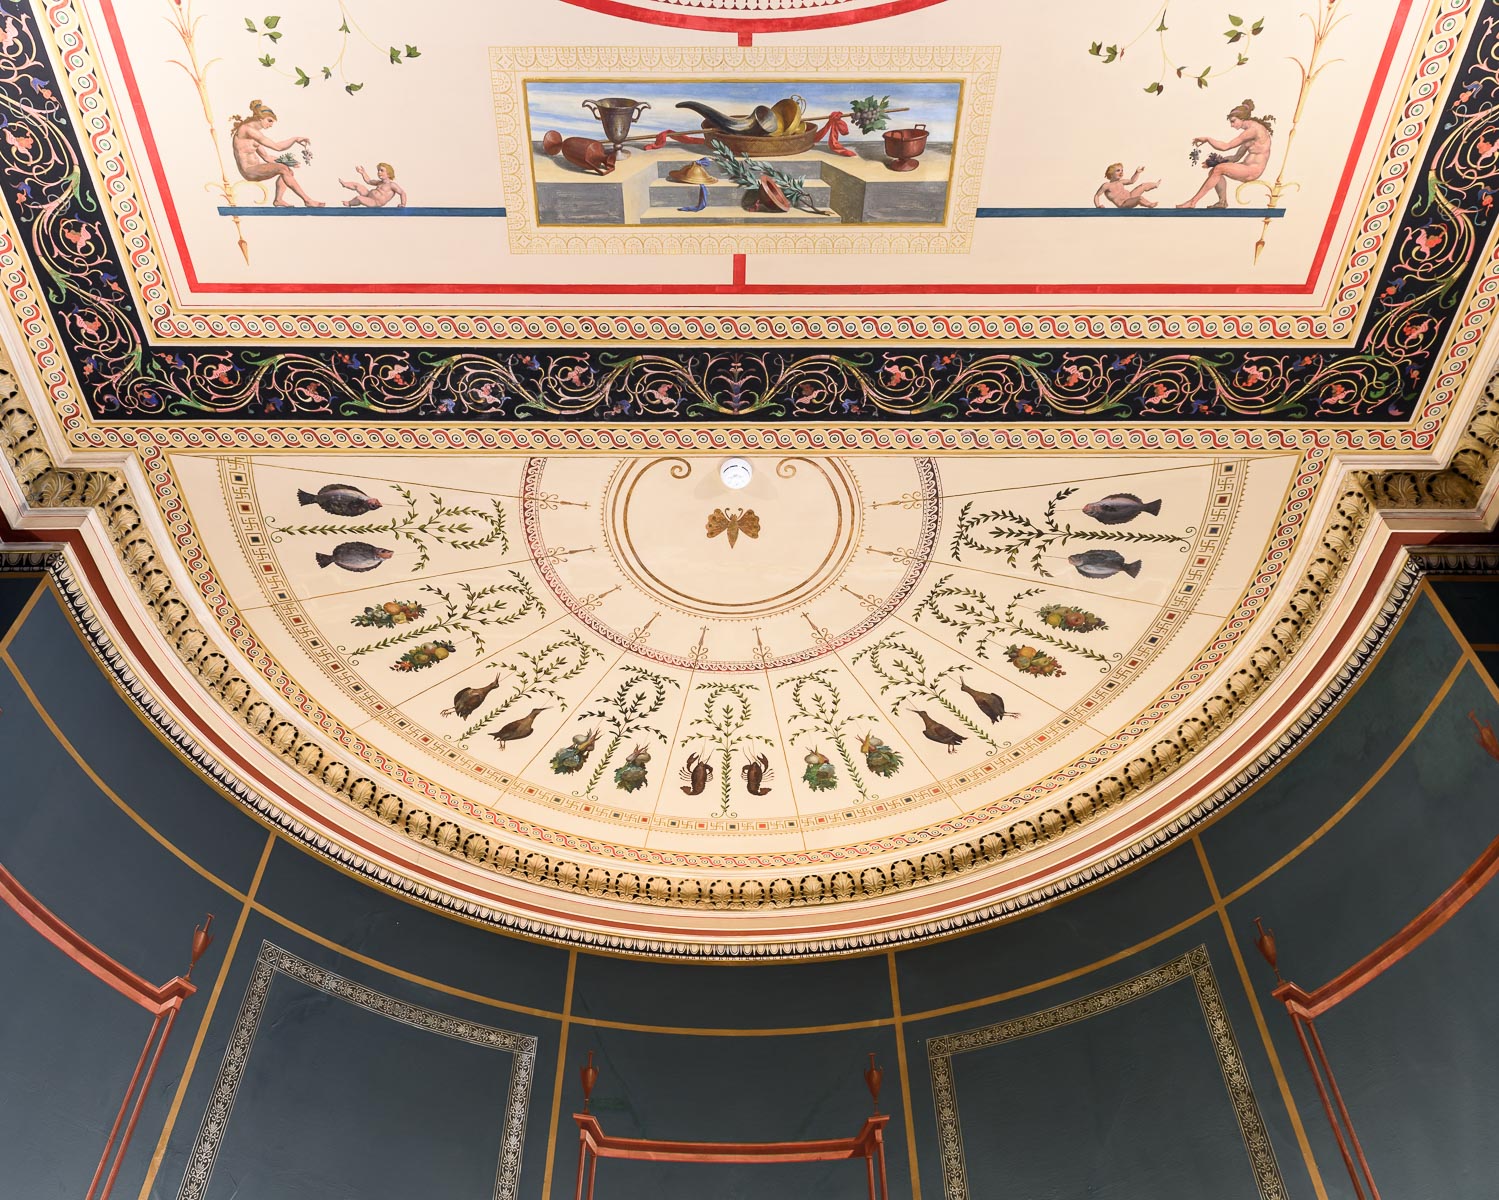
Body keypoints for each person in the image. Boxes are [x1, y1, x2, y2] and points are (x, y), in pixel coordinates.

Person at [1178, 98, 1274, 209]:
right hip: (1246, 167)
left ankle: (1192, 202)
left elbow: (1225, 147)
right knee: (1215, 170)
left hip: (1253, 170)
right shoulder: (1251, 133)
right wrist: (1214, 162)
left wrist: (1208, 139)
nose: (1232, 125)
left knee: (1219, 169)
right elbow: (1235, 157)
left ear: (1242, 118)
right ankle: (1222, 202)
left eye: (1233, 121)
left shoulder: (1253, 130)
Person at [230, 100, 323, 207]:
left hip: (256, 168)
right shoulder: (247, 130)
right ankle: (308, 201)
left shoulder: (254, 134)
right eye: (269, 121)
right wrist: (295, 139)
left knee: (288, 171)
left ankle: (278, 200)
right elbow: (277, 147)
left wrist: (288, 162)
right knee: (283, 169)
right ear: (260, 118)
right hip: (248, 171)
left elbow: (267, 157)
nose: (271, 125)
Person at [340, 162, 407, 208]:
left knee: (359, 198)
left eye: (382, 170)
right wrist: (363, 173)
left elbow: (402, 193)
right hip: (369, 196)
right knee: (358, 185)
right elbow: (369, 181)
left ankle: (349, 203)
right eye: (378, 170)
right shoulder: (379, 182)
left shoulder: (392, 185)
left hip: (375, 202)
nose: (379, 172)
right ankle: (344, 184)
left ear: (389, 173)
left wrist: (403, 204)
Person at [1094, 163, 1158, 209]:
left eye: (1122, 170)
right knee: (1139, 198)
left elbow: (1132, 181)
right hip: (1123, 203)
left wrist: (1137, 172)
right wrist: (1098, 206)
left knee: (1142, 186)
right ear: (1111, 173)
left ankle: (1155, 185)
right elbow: (1097, 195)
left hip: (1130, 196)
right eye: (1118, 170)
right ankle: (1150, 204)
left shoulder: (1121, 182)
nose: (1121, 172)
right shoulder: (1107, 185)